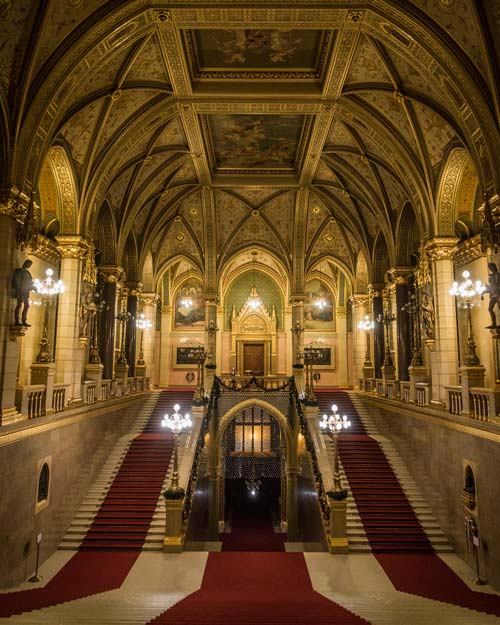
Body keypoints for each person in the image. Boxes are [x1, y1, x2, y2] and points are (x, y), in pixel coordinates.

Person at [11, 259, 35, 326]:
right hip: (21, 290)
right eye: (29, 264)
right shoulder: (19, 271)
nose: (29, 266)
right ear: (26, 263)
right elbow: (16, 280)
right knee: (19, 305)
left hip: (26, 291)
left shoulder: (28, 273)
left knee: (27, 305)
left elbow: (30, 282)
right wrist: (19, 288)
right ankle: (16, 320)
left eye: (30, 265)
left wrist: (33, 287)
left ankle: (24, 320)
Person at [485, 262, 500, 328]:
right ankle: (494, 324)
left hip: (498, 294)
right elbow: (491, 287)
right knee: (490, 309)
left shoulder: (497, 275)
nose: (490, 269)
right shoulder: (491, 277)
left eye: (491, 267)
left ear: (494, 267)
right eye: (489, 268)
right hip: (493, 295)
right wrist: (486, 288)